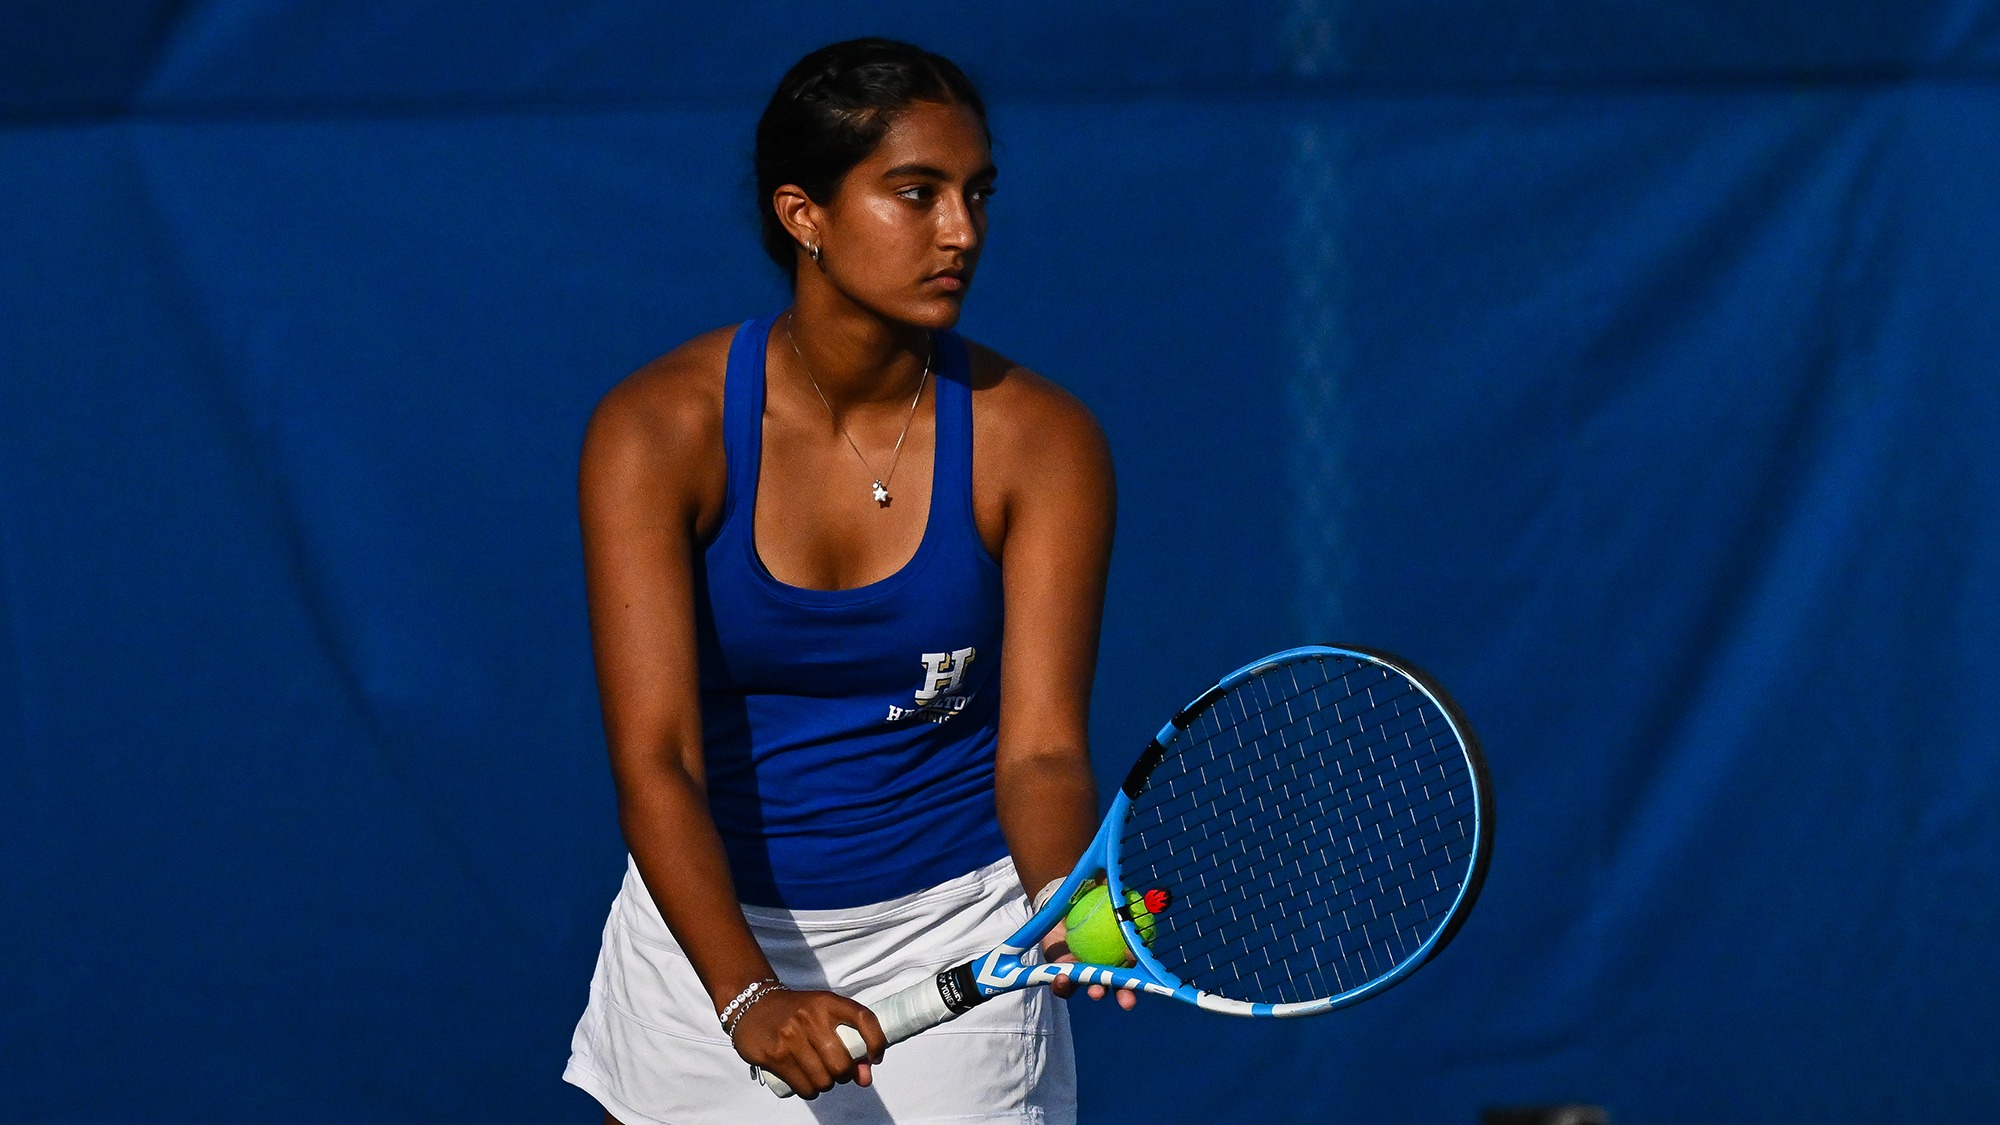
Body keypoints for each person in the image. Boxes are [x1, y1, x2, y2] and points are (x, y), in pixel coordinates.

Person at [562, 38, 1127, 1124]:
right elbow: (657, 762)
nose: (961, 231)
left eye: (976, 193)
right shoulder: (654, 431)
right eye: (916, 194)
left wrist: (1066, 895)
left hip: (957, 928)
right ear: (803, 214)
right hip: (706, 949)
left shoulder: (1043, 441)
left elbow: (1043, 749)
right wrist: (747, 996)